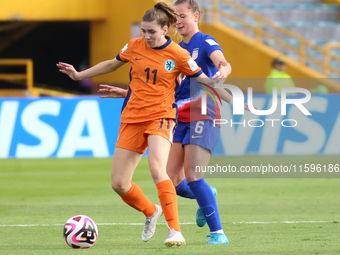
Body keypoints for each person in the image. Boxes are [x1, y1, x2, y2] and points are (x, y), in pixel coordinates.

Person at [57, 1, 216, 247]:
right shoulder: (134, 46)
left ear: (165, 29)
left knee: (156, 169)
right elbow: (112, 63)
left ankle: (175, 231)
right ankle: (151, 211)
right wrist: (79, 75)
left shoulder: (179, 55)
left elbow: (205, 80)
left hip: (161, 116)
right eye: (143, 31)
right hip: (131, 118)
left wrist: (236, 97)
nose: (146, 36)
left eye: (151, 31)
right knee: (119, 184)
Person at [98, 0, 249, 245]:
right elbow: (160, 87)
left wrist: (226, 70)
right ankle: (206, 196)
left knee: (193, 176)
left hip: (203, 112)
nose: (178, 20)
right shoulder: (174, 49)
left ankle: (218, 233)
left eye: (183, 16)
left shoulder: (205, 42)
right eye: (175, 16)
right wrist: (127, 93)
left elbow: (221, 62)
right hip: (177, 116)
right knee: (172, 180)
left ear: (196, 16)